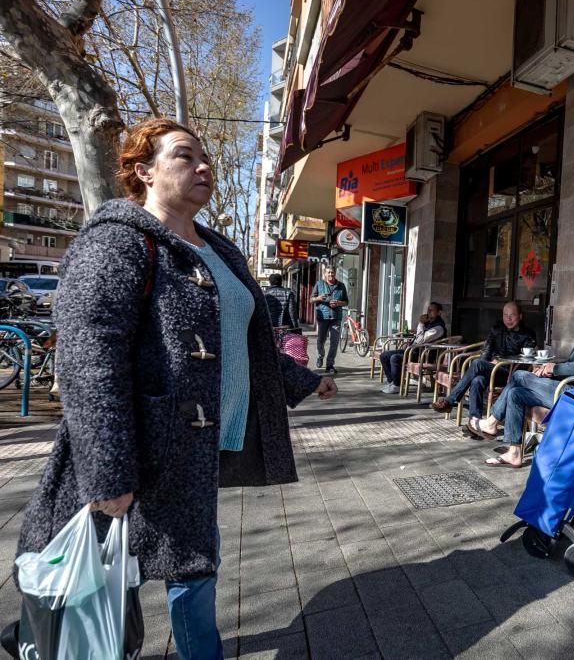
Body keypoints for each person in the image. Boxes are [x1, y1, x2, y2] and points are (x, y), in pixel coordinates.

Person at [14, 118, 337, 660]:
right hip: (141, 449)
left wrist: (305, 379)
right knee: (118, 575)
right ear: (144, 171)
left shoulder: (219, 249)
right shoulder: (117, 241)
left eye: (205, 157)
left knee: (192, 565)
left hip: (198, 445)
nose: (204, 166)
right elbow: (89, 359)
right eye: (185, 156)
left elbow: (246, 341)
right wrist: (108, 471)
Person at [468, 294, 574, 466]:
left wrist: (555, 368)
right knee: (515, 394)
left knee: (519, 376)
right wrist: (548, 370)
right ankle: (514, 452)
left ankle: (491, 422)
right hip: (568, 387)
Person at [429, 302, 536, 419]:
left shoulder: (528, 334)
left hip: (510, 374)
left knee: (477, 363)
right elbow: (487, 350)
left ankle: (450, 400)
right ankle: (474, 421)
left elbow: (526, 361)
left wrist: (499, 361)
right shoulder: (497, 328)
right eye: (505, 315)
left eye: (512, 315)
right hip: (493, 370)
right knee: (477, 380)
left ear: (520, 316)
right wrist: (488, 364)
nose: (508, 319)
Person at [379, 302, 447, 394]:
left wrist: (421, 323)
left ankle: (397, 385)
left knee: (395, 358)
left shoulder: (438, 328)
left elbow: (420, 341)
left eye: (432, 310)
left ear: (439, 312)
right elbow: (419, 337)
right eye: (428, 310)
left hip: (422, 356)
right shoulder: (429, 324)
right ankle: (392, 381)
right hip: (413, 351)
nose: (428, 312)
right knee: (384, 355)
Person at [311, 266, 349, 373]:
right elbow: (311, 299)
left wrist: (339, 303)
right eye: (328, 273)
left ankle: (330, 364)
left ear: (335, 273)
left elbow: (346, 301)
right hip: (323, 316)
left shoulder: (341, 286)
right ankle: (320, 356)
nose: (331, 275)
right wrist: (319, 298)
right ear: (325, 274)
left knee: (335, 341)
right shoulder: (319, 284)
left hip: (336, 317)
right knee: (321, 340)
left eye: (332, 273)